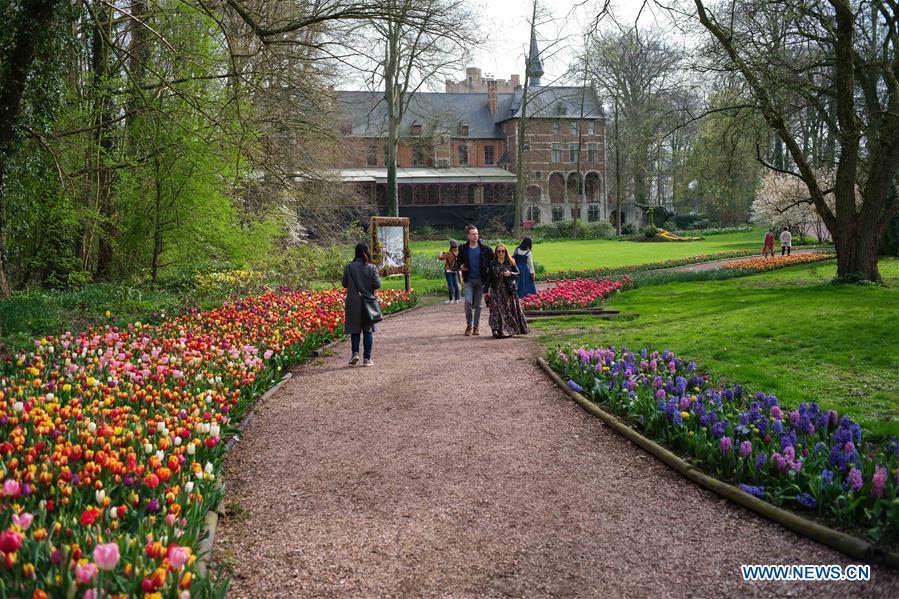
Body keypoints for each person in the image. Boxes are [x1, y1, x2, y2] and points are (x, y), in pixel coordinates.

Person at [342, 243, 381, 366]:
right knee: (368, 330)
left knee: (355, 330)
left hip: (353, 302)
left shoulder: (349, 267)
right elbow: (377, 285)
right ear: (367, 251)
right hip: (367, 302)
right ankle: (367, 359)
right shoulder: (371, 267)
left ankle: (355, 353)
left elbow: (344, 284)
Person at [455, 224, 494, 336]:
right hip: (468, 280)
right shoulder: (463, 248)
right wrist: (461, 266)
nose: (475, 236)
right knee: (468, 302)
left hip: (481, 280)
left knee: (478, 305)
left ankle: (476, 326)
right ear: (468, 236)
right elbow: (458, 262)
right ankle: (469, 325)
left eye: (477, 234)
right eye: (473, 234)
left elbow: (494, 261)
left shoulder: (485, 249)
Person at [486, 243, 529, 338]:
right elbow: (489, 277)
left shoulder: (510, 262)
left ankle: (507, 329)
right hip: (496, 290)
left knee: (507, 311)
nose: (501, 253)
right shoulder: (492, 264)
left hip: (508, 291)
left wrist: (510, 273)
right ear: (496, 253)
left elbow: (518, 273)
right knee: (495, 310)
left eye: (503, 251)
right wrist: (485, 290)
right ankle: (495, 329)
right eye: (499, 251)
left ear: (506, 252)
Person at [437, 240, 461, 304]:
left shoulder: (448, 253)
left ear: (451, 245)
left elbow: (440, 258)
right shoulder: (458, 252)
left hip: (448, 270)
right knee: (456, 284)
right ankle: (457, 299)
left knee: (450, 285)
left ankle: (451, 300)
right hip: (455, 270)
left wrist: (440, 253)